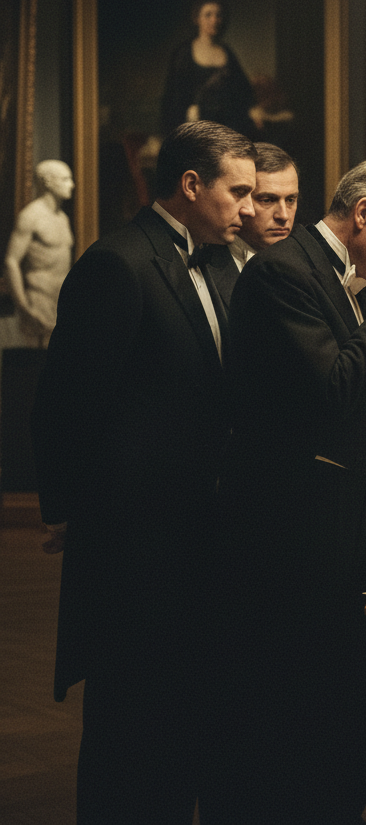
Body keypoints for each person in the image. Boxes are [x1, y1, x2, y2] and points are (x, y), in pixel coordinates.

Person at [30, 121, 257, 825]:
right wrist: (72, 514)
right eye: (238, 192)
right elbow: (67, 405)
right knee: (129, 741)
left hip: (208, 547)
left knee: (192, 731)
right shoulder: (116, 264)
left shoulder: (226, 265)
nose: (250, 208)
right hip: (137, 554)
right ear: (191, 185)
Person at [207, 159, 366, 825]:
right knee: (300, 700)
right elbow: (331, 385)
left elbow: (324, 397)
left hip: (344, 523)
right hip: (299, 532)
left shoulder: (339, 273)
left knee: (343, 692)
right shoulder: (283, 271)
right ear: (362, 213)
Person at [159, 0, 259, 137]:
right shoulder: (184, 52)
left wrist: (252, 108)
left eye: (218, 15)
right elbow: (174, 97)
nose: (214, 20)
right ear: (197, 19)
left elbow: (242, 89)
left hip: (228, 120)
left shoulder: (227, 51)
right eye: (208, 15)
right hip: (197, 121)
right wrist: (189, 112)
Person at [4, 159, 75, 347]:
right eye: (65, 179)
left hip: (60, 299)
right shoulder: (31, 216)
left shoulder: (63, 218)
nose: (72, 185)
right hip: (38, 298)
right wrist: (23, 306)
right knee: (37, 358)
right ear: (48, 182)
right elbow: (11, 261)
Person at [229, 141, 300, 270]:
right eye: (267, 200)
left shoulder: (302, 264)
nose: (283, 216)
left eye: (290, 200)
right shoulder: (207, 266)